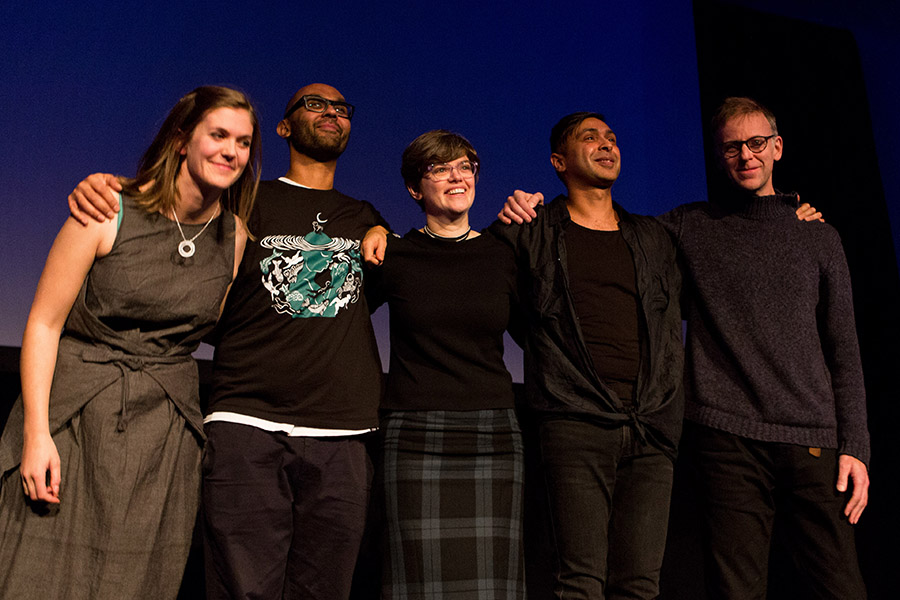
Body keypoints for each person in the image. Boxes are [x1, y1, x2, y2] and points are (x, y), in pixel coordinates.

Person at [67, 83, 390, 600]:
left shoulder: (365, 216)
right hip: (246, 423)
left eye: (340, 108)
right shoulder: (242, 198)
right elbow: (171, 220)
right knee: (242, 588)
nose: (330, 112)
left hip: (342, 431)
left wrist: (383, 230)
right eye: (313, 104)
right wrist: (107, 188)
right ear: (283, 128)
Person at [0, 85, 261, 599]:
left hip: (162, 435)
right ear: (182, 141)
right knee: (36, 573)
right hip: (72, 419)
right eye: (220, 135)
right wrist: (36, 435)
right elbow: (44, 324)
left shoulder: (234, 239)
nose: (232, 151)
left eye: (245, 142)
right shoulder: (107, 207)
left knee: (136, 581)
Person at [658, 97, 869, 599]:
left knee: (842, 587)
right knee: (737, 591)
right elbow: (608, 230)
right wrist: (536, 208)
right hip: (726, 437)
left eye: (755, 144)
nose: (745, 156)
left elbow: (845, 349)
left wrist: (856, 447)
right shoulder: (692, 225)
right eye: (732, 147)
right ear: (718, 154)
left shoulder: (819, 237)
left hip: (812, 437)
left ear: (777, 147)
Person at [490, 112, 684, 599]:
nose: (606, 145)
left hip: (650, 425)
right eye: (589, 137)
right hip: (574, 421)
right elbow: (491, 296)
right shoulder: (532, 230)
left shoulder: (653, 237)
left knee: (640, 584)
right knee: (580, 581)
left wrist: (792, 212)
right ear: (559, 161)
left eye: (612, 138)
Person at [364, 130, 525, 598]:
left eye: (465, 166)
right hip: (414, 435)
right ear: (416, 188)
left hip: (493, 435)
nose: (457, 176)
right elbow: (342, 329)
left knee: (494, 583)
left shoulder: (504, 254)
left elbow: (539, 335)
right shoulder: (393, 254)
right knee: (417, 581)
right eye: (440, 168)